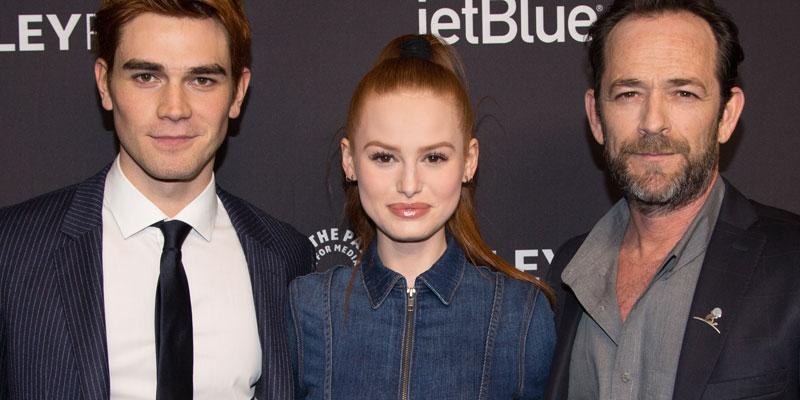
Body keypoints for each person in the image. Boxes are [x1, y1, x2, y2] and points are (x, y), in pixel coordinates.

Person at [0, 0, 314, 399]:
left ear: (238, 93)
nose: (174, 109)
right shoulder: (12, 251)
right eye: (147, 76)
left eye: (202, 80)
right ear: (104, 83)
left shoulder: (285, 257)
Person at [544, 1, 800, 399]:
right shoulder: (566, 274)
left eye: (683, 92)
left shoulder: (791, 266)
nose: (652, 121)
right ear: (596, 116)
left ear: (727, 114)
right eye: (629, 93)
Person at [286, 34, 556, 400]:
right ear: (349, 161)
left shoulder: (520, 315)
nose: (409, 184)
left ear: (469, 161)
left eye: (434, 158)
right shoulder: (307, 309)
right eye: (384, 157)